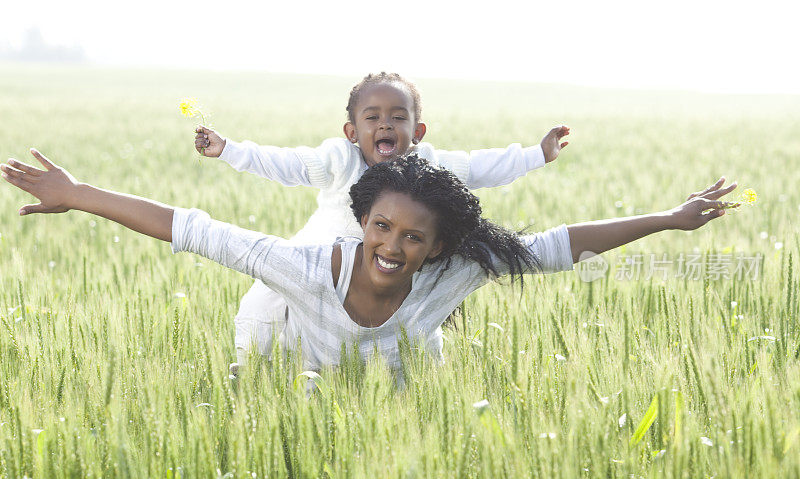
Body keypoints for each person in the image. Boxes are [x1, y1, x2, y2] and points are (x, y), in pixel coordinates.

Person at [2, 151, 735, 381]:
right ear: (362, 222)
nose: (392, 244)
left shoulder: (456, 274)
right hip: (314, 410)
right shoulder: (304, 266)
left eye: (414, 237)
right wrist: (79, 195)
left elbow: (560, 243)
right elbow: (193, 229)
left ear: (439, 248)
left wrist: (668, 219)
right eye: (381, 225)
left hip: (410, 419)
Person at [193, 72, 571, 369]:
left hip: (390, 274)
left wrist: (537, 154)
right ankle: (251, 370)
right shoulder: (339, 161)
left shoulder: (430, 167)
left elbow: (480, 168)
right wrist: (229, 149)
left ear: (418, 132)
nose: (385, 125)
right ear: (352, 132)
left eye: (398, 117)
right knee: (266, 309)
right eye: (372, 117)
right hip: (318, 269)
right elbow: (286, 164)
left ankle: (420, 393)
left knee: (418, 333)